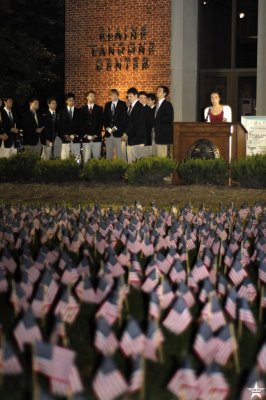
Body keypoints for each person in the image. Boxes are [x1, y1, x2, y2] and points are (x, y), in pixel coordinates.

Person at [80, 90, 103, 163]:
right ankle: (86, 173)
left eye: (94, 96)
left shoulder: (99, 109)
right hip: (86, 139)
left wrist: (95, 135)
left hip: (96, 138)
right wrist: (86, 135)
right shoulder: (82, 109)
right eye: (91, 96)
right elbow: (81, 124)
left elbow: (100, 123)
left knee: (97, 159)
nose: (93, 98)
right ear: (87, 97)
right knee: (86, 159)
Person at [103, 89, 127, 160]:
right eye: (112, 95)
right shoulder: (107, 105)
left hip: (118, 133)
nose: (113, 96)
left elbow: (123, 119)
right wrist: (107, 127)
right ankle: (109, 170)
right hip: (108, 134)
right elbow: (105, 118)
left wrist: (115, 127)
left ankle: (120, 170)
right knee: (109, 155)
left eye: (115, 94)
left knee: (120, 155)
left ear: (118, 95)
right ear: (109, 96)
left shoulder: (122, 104)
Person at [124, 87, 147, 163]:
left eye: (131, 96)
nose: (129, 98)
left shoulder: (139, 107)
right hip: (132, 139)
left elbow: (135, 123)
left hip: (137, 139)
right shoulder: (132, 107)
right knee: (131, 162)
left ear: (136, 96)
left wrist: (127, 134)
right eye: (128, 96)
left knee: (136, 163)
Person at [59, 92, 81, 160]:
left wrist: (76, 135)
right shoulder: (61, 112)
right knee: (64, 158)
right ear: (66, 101)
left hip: (76, 139)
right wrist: (64, 135)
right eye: (69, 100)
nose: (71, 101)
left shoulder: (79, 112)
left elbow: (81, 126)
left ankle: (77, 169)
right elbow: (60, 126)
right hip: (65, 139)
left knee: (77, 158)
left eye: (72, 100)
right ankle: (64, 170)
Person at [153, 85, 174, 157]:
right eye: (157, 90)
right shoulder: (157, 105)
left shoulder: (167, 104)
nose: (157, 92)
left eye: (159, 91)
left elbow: (169, 119)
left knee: (162, 157)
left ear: (164, 94)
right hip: (157, 134)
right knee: (157, 156)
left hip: (163, 135)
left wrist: (157, 119)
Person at [142, 92, 156, 158]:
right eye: (147, 100)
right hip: (147, 134)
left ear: (153, 101)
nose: (147, 101)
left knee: (153, 152)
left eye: (149, 100)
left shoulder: (156, 110)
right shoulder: (145, 109)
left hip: (153, 133)